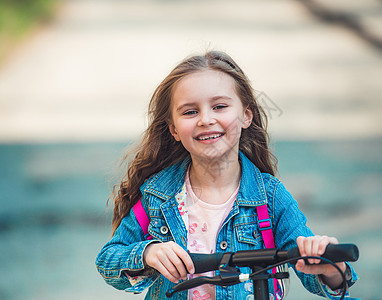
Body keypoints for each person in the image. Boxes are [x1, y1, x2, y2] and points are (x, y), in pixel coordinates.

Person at [95, 51, 358, 300]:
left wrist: (329, 266)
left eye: (219, 106)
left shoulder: (270, 197)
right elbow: (108, 259)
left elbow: (314, 271)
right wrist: (148, 253)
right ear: (174, 129)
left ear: (246, 115)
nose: (205, 119)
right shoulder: (157, 196)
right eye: (190, 111)